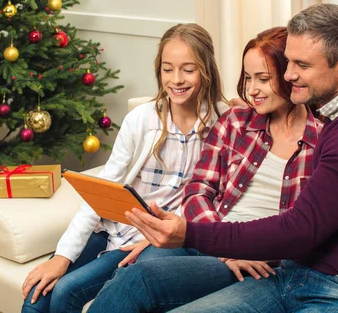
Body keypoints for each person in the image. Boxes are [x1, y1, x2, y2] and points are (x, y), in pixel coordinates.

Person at [91, 4, 338, 313]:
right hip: (296, 275)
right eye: (288, 63)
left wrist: (190, 234)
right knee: (143, 280)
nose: (289, 75)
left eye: (302, 65)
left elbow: (301, 229)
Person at [88, 26, 323, 312]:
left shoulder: (324, 141)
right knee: (135, 277)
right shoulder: (236, 122)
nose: (251, 90)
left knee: (144, 280)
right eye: (248, 78)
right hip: (210, 241)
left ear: (290, 76)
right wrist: (225, 245)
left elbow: (306, 229)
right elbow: (198, 189)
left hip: (261, 262)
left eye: (263, 79)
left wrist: (243, 250)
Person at [21, 23, 227, 312]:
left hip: (164, 238)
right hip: (117, 229)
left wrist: (155, 238)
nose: (176, 79)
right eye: (168, 69)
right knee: (40, 292)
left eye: (188, 69)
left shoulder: (225, 123)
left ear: (206, 69)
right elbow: (103, 191)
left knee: (72, 291)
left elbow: (215, 195)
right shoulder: (141, 120)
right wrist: (61, 256)